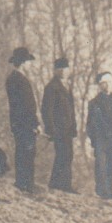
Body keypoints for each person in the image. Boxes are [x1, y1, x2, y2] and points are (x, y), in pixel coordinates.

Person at [6, 47, 42, 194]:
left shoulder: (13, 78)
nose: (29, 65)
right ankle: (26, 184)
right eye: (28, 62)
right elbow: (26, 105)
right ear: (22, 63)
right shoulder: (19, 79)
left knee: (23, 152)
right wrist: (35, 124)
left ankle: (24, 183)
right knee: (26, 152)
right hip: (25, 123)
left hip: (19, 122)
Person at [86, 71, 112, 198]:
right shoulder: (94, 102)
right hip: (101, 139)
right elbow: (90, 124)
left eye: (110, 82)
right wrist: (94, 139)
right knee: (101, 165)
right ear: (100, 85)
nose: (108, 85)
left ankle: (109, 190)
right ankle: (101, 190)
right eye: (105, 83)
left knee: (111, 165)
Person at [40, 57, 77, 193]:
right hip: (58, 128)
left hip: (68, 128)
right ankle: (58, 184)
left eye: (65, 68)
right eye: (59, 69)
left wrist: (74, 127)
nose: (62, 71)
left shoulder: (68, 86)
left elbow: (72, 110)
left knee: (68, 154)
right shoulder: (51, 87)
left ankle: (64, 183)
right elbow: (46, 110)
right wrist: (51, 129)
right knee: (62, 154)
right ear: (55, 71)